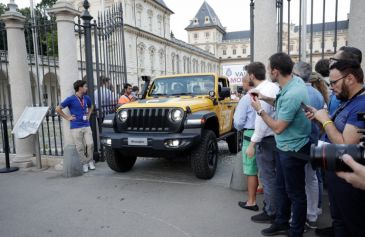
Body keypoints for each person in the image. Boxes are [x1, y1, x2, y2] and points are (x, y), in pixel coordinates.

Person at [250, 52, 311, 236]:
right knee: (282, 188)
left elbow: (278, 128)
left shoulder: (293, 93)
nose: (268, 71)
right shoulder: (294, 82)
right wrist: (263, 97)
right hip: (286, 148)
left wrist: (260, 110)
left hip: (293, 150)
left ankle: (296, 231)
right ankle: (281, 222)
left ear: (275, 71)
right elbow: (280, 102)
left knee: (296, 194)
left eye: (269, 69)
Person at [306, 50, 365, 237]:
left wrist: (325, 120)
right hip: (336, 168)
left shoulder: (362, 104)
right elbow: (336, 130)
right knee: (338, 219)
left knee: (350, 224)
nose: (331, 88)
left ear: (350, 79)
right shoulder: (349, 99)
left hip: (350, 175)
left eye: (334, 83)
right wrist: (318, 118)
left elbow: (345, 143)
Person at [245, 62, 279, 223]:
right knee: (273, 177)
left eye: (247, 75)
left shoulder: (262, 90)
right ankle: (274, 209)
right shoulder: (272, 87)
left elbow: (261, 119)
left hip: (266, 140)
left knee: (267, 178)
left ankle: (271, 211)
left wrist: (252, 143)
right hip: (275, 138)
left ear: (251, 76)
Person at [293, 61, 325, 229]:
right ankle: (311, 214)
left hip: (300, 143)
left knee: (299, 182)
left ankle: (300, 217)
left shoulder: (297, 92)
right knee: (311, 179)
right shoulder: (317, 93)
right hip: (314, 140)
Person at [56, 80, 95, 173]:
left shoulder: (87, 98)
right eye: (85, 86)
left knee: (90, 144)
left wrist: (88, 115)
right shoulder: (70, 99)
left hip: (86, 125)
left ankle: (90, 161)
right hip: (76, 126)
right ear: (80, 88)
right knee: (80, 147)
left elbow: (91, 106)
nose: (86, 88)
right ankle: (84, 163)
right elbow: (58, 109)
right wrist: (67, 117)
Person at [233, 73, 258, 212]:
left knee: (251, 170)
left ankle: (251, 201)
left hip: (250, 134)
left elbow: (238, 122)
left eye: (243, 82)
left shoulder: (246, 99)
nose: (242, 84)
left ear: (248, 82)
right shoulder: (266, 94)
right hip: (265, 134)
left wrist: (239, 127)